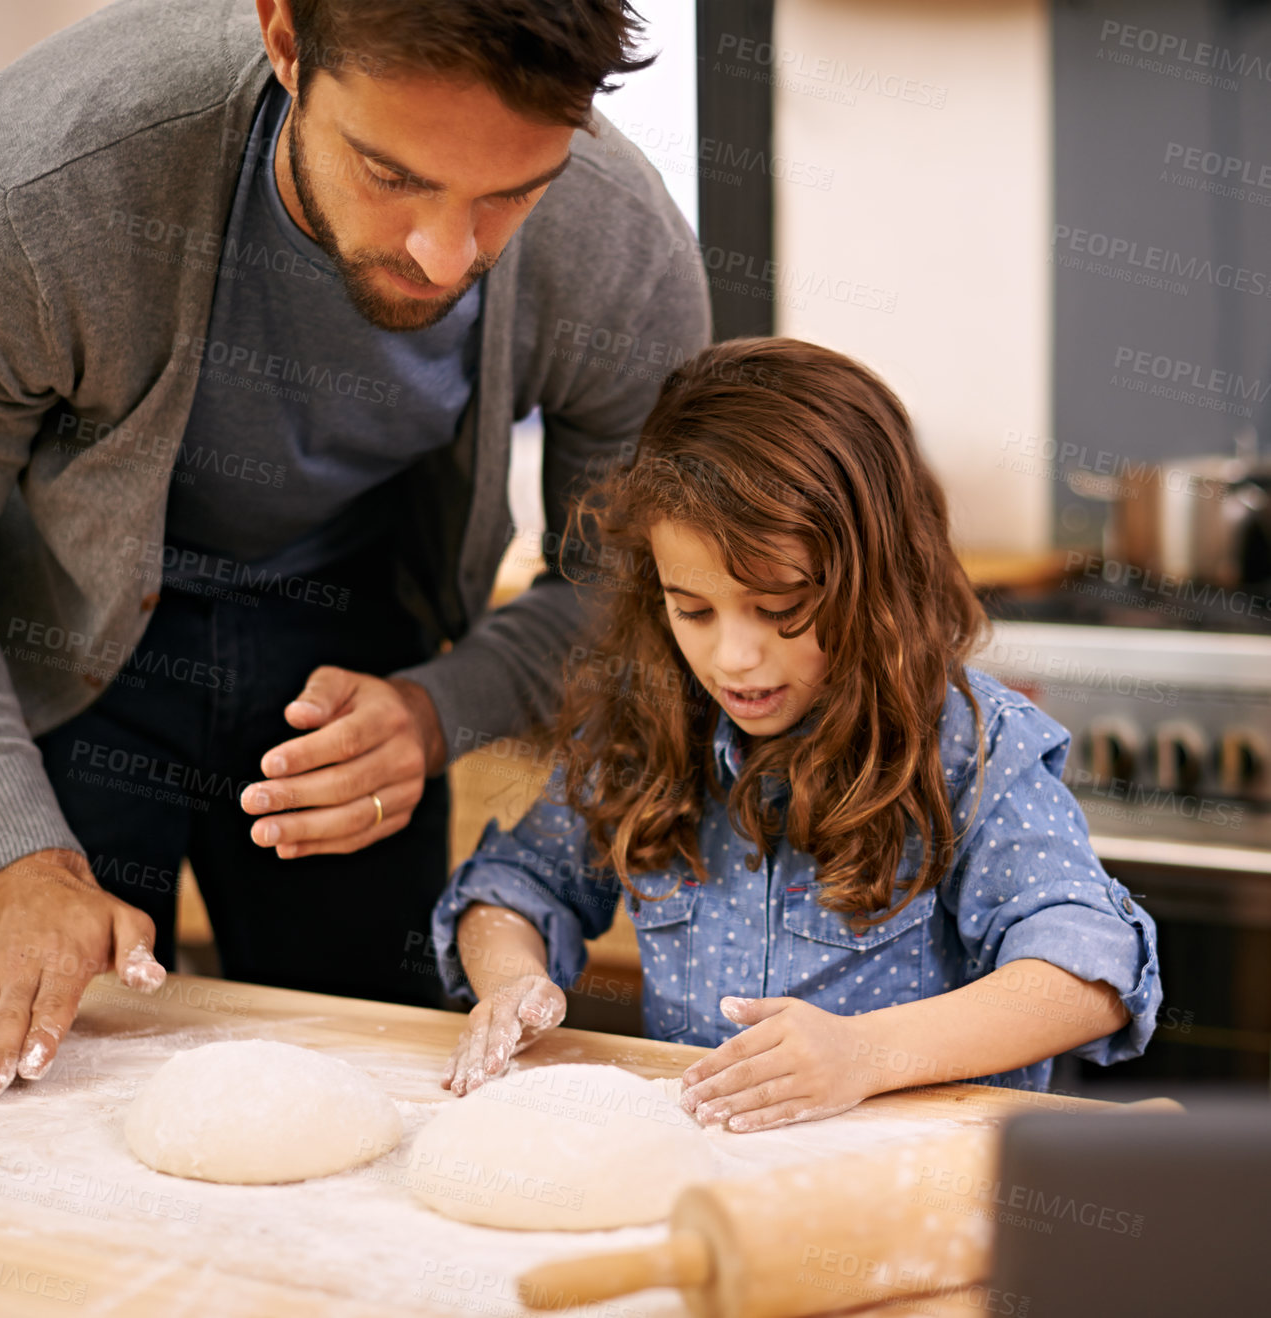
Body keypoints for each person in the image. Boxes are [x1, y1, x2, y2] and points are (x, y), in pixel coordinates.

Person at [0, 0, 709, 1099]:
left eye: (510, 195)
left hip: (359, 648)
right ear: (286, 40)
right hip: (57, 641)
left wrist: (442, 708)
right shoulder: (36, 194)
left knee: (378, 1081)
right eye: (391, 175)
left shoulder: (620, 240)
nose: (443, 255)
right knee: (49, 1084)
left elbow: (627, 588)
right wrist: (21, 863)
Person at [434, 337, 1162, 1128]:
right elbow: (514, 886)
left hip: (917, 1197)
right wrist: (510, 978)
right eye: (694, 610)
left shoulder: (968, 749)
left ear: (876, 581)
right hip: (715, 1183)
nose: (735, 658)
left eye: (781, 610)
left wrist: (865, 1053)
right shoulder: (646, 729)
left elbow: (1087, 973)